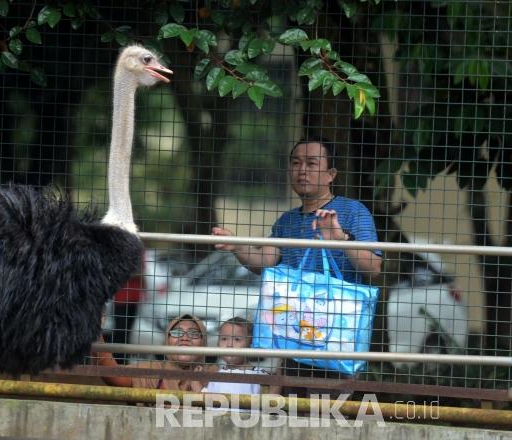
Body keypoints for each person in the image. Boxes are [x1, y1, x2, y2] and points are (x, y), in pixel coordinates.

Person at [212, 137, 381, 392]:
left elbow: (373, 267)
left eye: (312, 163)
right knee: (290, 410)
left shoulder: (352, 211)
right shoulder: (286, 221)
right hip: (292, 338)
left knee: (328, 414)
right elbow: (263, 261)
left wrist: (340, 239)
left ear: (330, 175)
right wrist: (237, 247)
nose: (302, 170)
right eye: (296, 163)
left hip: (336, 338)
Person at [92, 314, 213, 392]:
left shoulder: (214, 374)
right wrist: (94, 330)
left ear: (204, 342)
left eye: (193, 333)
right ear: (167, 340)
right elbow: (114, 377)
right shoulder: (153, 370)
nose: (185, 338)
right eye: (177, 333)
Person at [202, 317, 279, 398]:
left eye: (237, 339)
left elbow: (269, 402)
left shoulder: (259, 374)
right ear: (218, 344)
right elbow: (205, 399)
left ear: (251, 345)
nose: (229, 345)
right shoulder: (215, 375)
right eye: (224, 339)